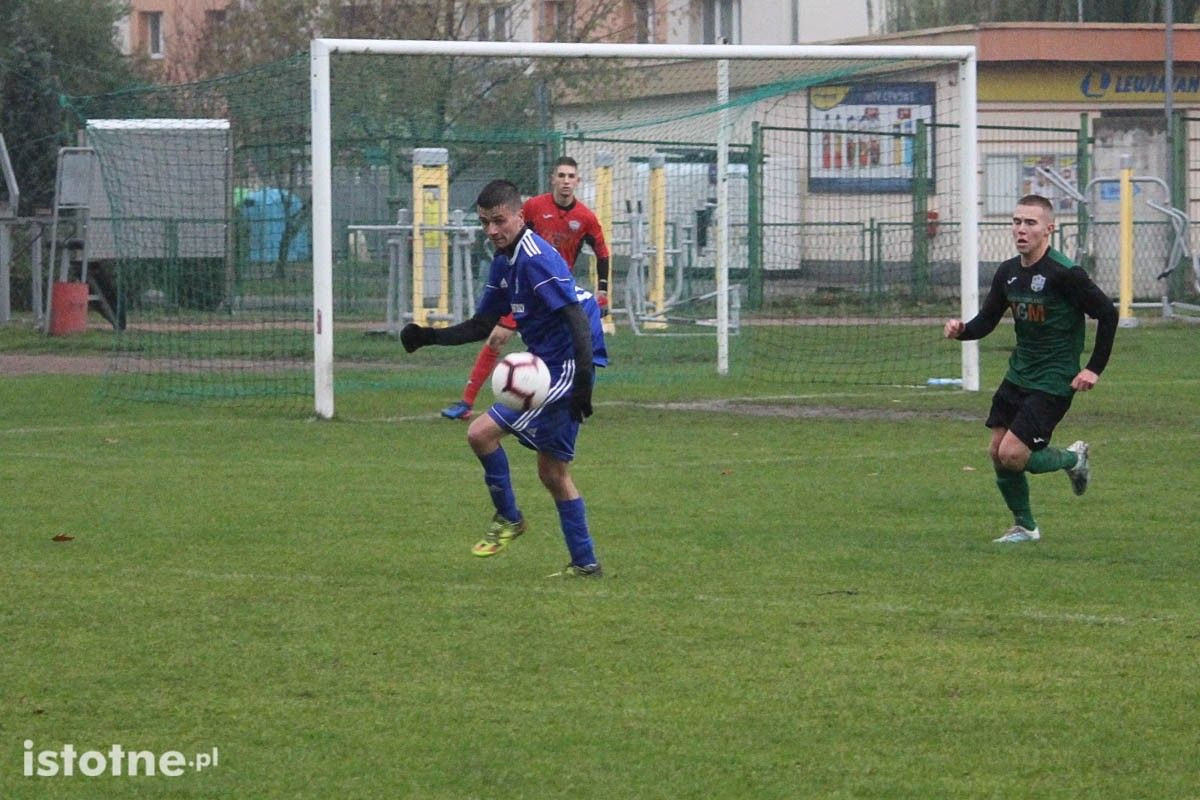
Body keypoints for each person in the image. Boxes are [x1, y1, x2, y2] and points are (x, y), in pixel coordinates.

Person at [401, 179, 608, 577]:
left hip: (564, 365)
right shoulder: (504, 261)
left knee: (484, 435)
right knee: (551, 472)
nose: (492, 231)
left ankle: (512, 521)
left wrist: (583, 381)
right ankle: (584, 564)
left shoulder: (535, 258)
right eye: (485, 223)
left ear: (519, 215)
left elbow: (576, 318)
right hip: (544, 360)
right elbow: (483, 323)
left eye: (499, 221)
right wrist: (428, 337)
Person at [943, 194, 1117, 543]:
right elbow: (987, 321)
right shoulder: (1008, 273)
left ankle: (1073, 458)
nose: (1021, 229)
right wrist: (963, 331)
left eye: (1030, 223)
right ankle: (1024, 526)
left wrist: (1093, 369)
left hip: (1054, 379)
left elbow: (1108, 314)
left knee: (1012, 454)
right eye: (1017, 221)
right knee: (996, 453)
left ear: (1049, 229)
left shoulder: (1065, 274)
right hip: (1019, 374)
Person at [441, 156, 610, 420]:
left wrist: (603, 289)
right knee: (496, 337)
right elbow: (510, 234)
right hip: (524, 288)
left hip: (553, 294)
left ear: (577, 181)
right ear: (552, 178)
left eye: (571, 176)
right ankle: (467, 401)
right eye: (561, 175)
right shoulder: (533, 206)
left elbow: (601, 251)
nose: (566, 181)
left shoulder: (585, 217)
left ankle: (551, 397)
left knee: (550, 349)